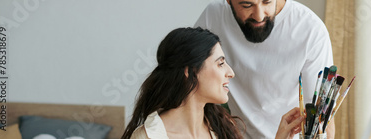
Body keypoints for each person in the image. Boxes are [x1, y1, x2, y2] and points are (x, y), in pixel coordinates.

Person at [194, 0, 335, 138]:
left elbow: (322, 120)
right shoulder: (214, 16)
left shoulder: (311, 30)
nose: (259, 16)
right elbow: (188, 76)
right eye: (247, 5)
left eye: (268, 1)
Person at [121, 27, 305, 139]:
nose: (230, 72)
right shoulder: (149, 136)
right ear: (190, 71)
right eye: (220, 63)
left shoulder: (222, 128)